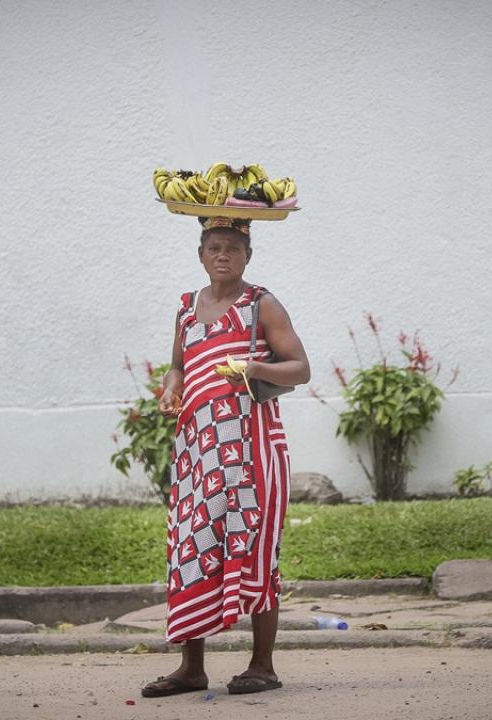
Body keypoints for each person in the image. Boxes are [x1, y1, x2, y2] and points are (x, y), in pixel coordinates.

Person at [141, 215, 310, 697]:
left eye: (233, 248)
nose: (223, 255)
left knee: (255, 549)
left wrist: (252, 367)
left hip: (253, 448)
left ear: (247, 257)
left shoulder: (263, 304)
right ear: (200, 255)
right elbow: (178, 365)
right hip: (198, 451)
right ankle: (191, 667)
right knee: (190, 549)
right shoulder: (186, 309)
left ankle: (263, 665)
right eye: (214, 247)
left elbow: (300, 368)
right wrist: (171, 387)